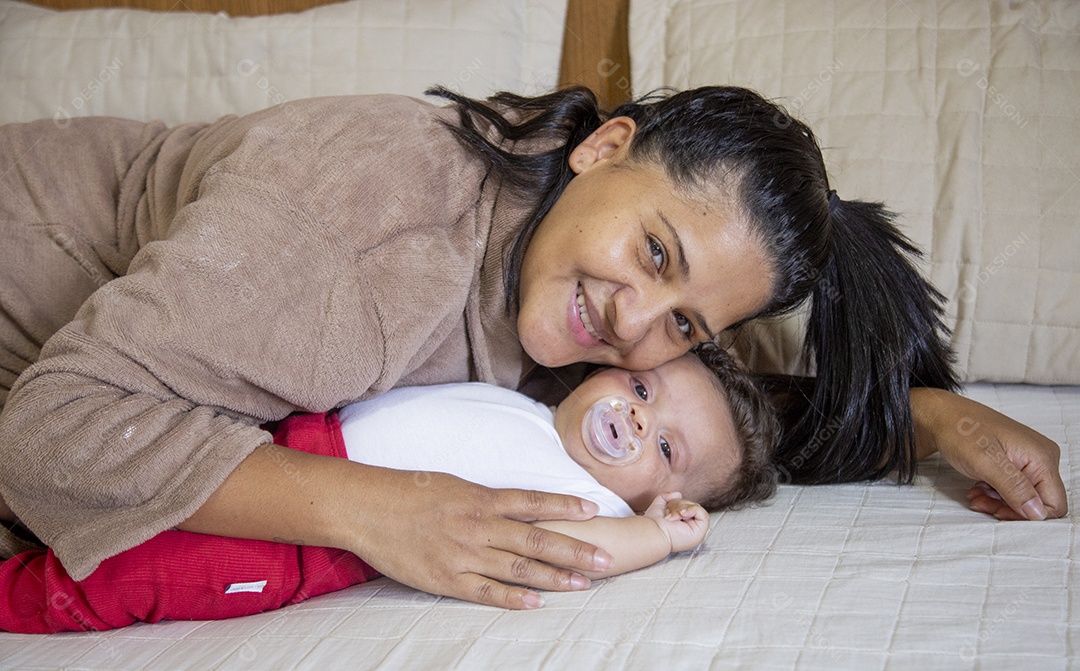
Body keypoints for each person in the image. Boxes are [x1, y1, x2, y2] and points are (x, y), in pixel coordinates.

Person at [0, 85, 1065, 612]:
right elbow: (54, 429)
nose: (634, 328)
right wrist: (381, 510)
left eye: (686, 324)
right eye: (655, 250)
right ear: (606, 149)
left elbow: (688, 425)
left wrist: (925, 415)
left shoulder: (561, 247)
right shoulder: (361, 243)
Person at [0, 346, 780, 632]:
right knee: (143, 485)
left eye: (667, 446)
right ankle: (29, 509)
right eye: (642, 388)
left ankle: (23, 594)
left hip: (309, 546)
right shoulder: (529, 398)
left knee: (128, 578)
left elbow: (588, 553)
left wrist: (661, 535)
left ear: (658, 495)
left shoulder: (589, 497)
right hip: (287, 454)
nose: (637, 420)